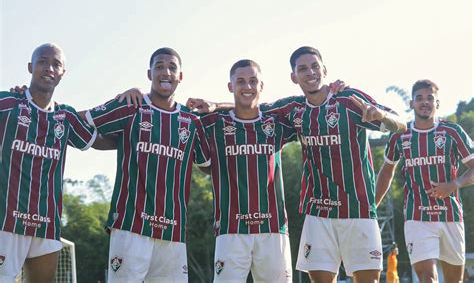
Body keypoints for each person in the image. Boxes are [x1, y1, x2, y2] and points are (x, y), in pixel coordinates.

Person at [188, 46, 407, 283]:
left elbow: (401, 124)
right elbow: (251, 108)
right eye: (302, 68)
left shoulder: (349, 100)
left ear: (324, 69)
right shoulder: (293, 110)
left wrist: (382, 116)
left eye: (314, 66)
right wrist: (215, 105)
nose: (310, 72)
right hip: (318, 214)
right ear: (294, 77)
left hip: (359, 211)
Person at [85, 47, 211, 282]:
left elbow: (207, 164)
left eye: (172, 67)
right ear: (149, 73)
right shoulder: (131, 106)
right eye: (159, 66)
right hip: (130, 227)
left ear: (180, 76)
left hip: (172, 230)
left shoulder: (192, 121)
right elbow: (82, 120)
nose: (166, 72)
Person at [0, 43, 114, 283]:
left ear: (63, 73)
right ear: (31, 67)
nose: (49, 68)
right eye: (42, 61)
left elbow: (98, 141)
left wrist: (136, 133)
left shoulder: (66, 117)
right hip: (6, 221)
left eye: (56, 64)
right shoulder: (8, 104)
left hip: (46, 223)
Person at [199, 59, 296, 282]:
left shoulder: (277, 122)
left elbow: (312, 103)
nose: (248, 87)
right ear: (230, 86)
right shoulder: (213, 124)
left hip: (273, 228)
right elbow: (172, 114)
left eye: (253, 81)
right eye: (241, 81)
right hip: (230, 230)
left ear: (262, 85)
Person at [376, 79, 474, 283]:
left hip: (450, 216)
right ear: (411, 104)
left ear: (437, 103)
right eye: (419, 98)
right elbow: (386, 172)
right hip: (417, 217)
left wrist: (454, 184)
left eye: (430, 98)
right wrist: (372, 206)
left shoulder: (452, 132)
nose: (425, 102)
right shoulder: (400, 135)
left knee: (454, 280)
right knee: (428, 277)